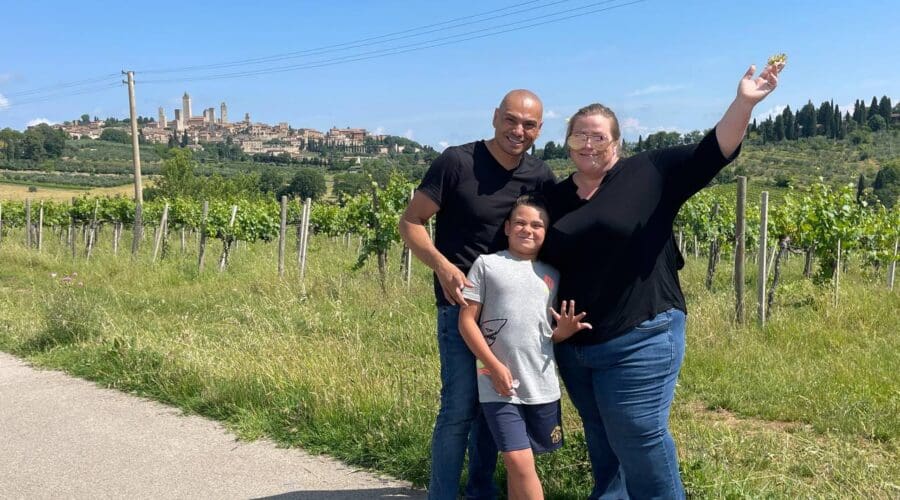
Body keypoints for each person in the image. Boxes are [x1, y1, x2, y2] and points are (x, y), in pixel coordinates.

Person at [540, 60, 785, 498]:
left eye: (600, 135)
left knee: (638, 434)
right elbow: (537, 261)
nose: (589, 143)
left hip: (641, 334)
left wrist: (744, 102)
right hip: (575, 348)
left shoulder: (649, 173)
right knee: (601, 440)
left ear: (617, 141)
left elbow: (714, 150)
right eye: (580, 135)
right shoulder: (553, 198)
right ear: (567, 142)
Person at [399, 90, 556, 499]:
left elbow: (553, 234)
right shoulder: (457, 162)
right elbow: (412, 222)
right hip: (460, 309)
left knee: (494, 410)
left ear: (539, 130)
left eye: (529, 124)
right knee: (458, 410)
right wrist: (443, 266)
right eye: (511, 120)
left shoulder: (539, 176)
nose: (518, 130)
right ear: (494, 118)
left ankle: (481, 491)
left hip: (509, 319)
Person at [458, 194, 590, 500]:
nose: (527, 230)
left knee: (523, 465)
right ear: (507, 227)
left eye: (536, 225)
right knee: (518, 460)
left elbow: (545, 335)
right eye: (519, 222)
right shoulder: (487, 265)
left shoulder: (552, 275)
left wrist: (563, 332)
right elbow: (467, 322)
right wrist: (493, 365)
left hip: (541, 384)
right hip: (497, 382)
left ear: (546, 232)